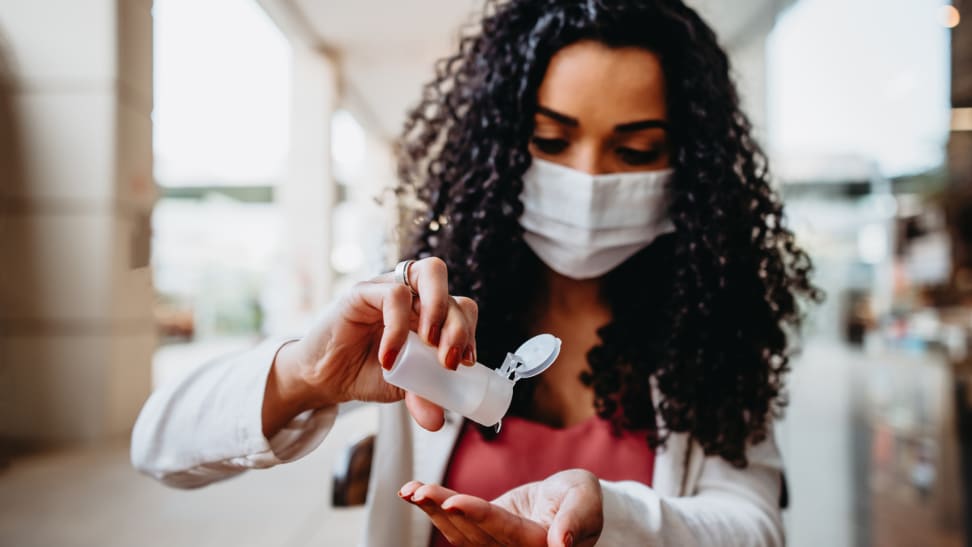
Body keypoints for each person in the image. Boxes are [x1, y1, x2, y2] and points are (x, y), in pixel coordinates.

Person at [131, 1, 822, 545]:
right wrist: (305, 374)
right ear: (501, 142)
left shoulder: (713, 328)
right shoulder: (426, 306)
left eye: (635, 150)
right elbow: (160, 445)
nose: (587, 178)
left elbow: (754, 526)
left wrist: (613, 520)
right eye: (551, 140)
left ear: (689, 169)